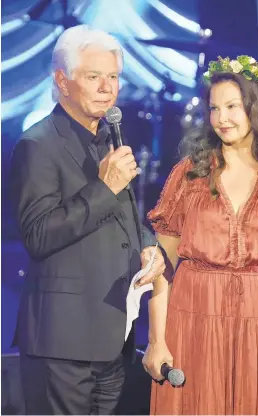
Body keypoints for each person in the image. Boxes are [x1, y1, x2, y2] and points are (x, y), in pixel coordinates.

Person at [144, 55, 258, 415]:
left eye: (232, 106)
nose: (221, 118)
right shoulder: (189, 175)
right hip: (193, 319)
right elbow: (162, 268)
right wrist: (156, 340)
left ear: (257, 109)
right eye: (214, 108)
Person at [9, 25, 166, 415]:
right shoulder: (37, 145)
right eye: (94, 77)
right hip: (62, 343)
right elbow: (39, 235)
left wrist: (149, 244)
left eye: (113, 77)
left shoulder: (110, 137)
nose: (106, 88)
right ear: (62, 81)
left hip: (112, 335)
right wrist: (104, 187)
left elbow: (123, 215)